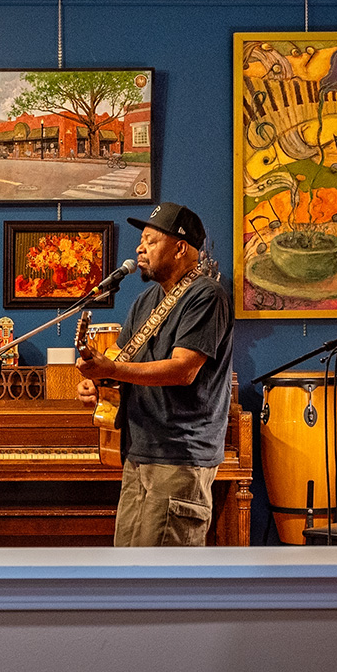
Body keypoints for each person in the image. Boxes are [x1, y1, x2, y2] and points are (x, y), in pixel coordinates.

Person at [77, 201, 235, 547]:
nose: (139, 248)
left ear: (180, 248)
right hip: (140, 451)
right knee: (128, 570)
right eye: (141, 240)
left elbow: (184, 370)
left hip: (180, 456)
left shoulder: (206, 295)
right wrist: (97, 383)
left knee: (165, 580)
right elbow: (119, 363)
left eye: (150, 240)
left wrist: (112, 368)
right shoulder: (146, 301)